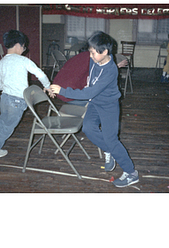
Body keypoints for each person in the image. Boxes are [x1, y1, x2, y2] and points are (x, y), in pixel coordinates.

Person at [50, 31, 138, 188]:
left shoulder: (110, 70)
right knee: (89, 128)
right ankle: (108, 151)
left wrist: (62, 90)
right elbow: (91, 79)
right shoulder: (96, 60)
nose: (90, 56)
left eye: (93, 52)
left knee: (112, 139)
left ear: (105, 52)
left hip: (108, 106)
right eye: (90, 51)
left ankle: (131, 173)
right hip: (95, 103)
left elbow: (90, 91)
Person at [0, 30, 54, 160]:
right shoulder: (23, 60)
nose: (24, 49)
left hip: (4, 98)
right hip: (17, 101)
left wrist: (7, 86)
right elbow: (41, 75)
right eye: (24, 47)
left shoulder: (1, 62)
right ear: (18, 45)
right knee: (8, 127)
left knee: (1, 121)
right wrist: (48, 87)